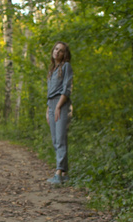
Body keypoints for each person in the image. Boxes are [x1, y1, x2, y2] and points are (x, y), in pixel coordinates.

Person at [46, 41, 73, 185]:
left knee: (61, 138)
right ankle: (64, 172)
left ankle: (58, 173)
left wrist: (58, 106)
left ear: (65, 54)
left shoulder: (66, 67)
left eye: (61, 50)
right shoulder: (52, 70)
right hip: (51, 104)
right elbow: (50, 92)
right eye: (56, 49)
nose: (57, 52)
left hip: (61, 103)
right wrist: (48, 108)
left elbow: (66, 89)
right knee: (55, 139)